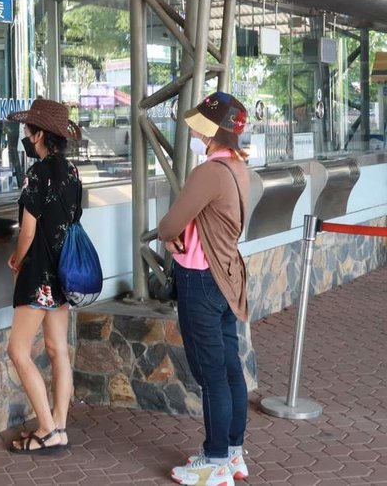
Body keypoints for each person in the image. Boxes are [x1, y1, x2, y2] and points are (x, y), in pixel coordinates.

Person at [157, 91, 251, 486]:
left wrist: (170, 236)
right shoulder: (239, 167)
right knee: (230, 370)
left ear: (214, 130)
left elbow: (168, 225)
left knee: (211, 375)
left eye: (201, 124)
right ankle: (232, 453)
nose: (195, 130)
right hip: (227, 277)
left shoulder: (209, 172)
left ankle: (213, 463)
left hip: (201, 278)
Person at [3, 98, 82, 455]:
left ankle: (47, 428)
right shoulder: (73, 172)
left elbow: (28, 231)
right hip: (63, 271)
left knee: (18, 350)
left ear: (39, 135)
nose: (25, 134)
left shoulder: (37, 173)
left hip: (39, 274)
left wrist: (17, 260)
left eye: (28, 130)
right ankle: (60, 426)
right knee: (57, 351)